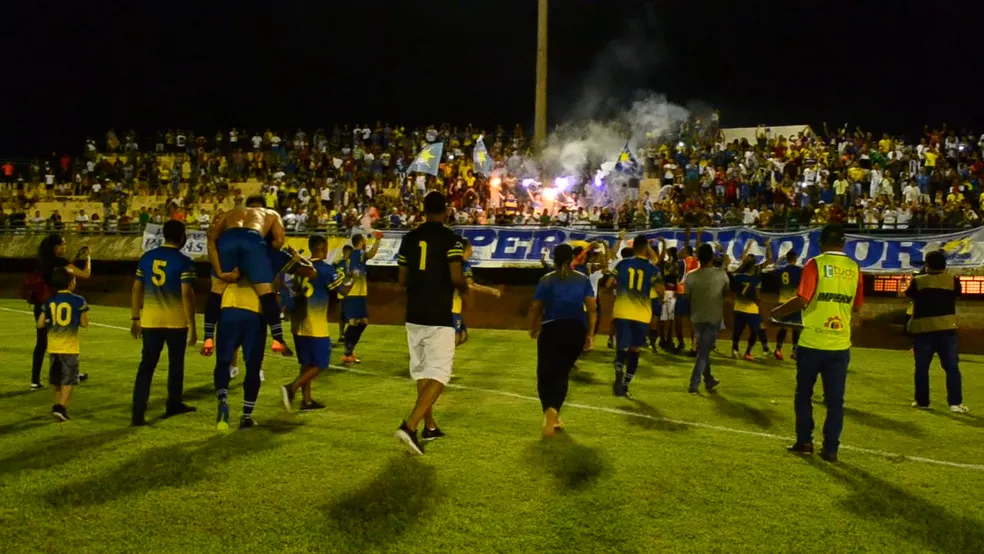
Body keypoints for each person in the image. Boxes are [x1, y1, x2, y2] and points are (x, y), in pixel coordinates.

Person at [772, 224, 863, 462]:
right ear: (843, 243)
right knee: (835, 402)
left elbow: (803, 298)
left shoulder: (816, 264)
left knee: (804, 395)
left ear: (822, 242)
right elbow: (858, 306)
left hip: (812, 342)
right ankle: (831, 449)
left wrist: (778, 312)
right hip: (840, 345)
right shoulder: (855, 268)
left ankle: (805, 442)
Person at [394, 191, 468, 455]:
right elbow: (456, 276)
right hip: (438, 313)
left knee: (424, 371)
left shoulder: (409, 238)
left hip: (413, 314)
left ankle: (430, 425)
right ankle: (410, 425)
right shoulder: (452, 239)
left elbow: (402, 279)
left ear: (423, 210)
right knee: (440, 373)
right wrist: (464, 287)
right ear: (446, 210)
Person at [202, 195, 291, 357]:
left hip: (228, 239)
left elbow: (211, 239)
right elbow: (279, 241)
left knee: (217, 289)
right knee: (266, 292)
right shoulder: (271, 214)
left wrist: (220, 272)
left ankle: (208, 337)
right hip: (253, 239)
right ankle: (278, 338)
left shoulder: (231, 212)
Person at [130, 220, 199, 426]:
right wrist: (193, 326)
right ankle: (173, 403)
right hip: (176, 322)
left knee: (146, 367)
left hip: (150, 320)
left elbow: (136, 289)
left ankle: (138, 411)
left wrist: (135, 318)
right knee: (176, 365)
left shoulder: (147, 257)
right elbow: (187, 294)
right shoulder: (185, 261)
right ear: (180, 236)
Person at [280, 235, 354, 412]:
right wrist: (353, 279)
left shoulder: (300, 268)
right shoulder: (326, 269)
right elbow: (342, 290)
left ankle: (307, 401)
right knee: (320, 364)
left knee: (306, 363)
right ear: (322, 248)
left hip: (299, 323)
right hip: (316, 324)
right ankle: (291, 388)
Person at [529, 244, 596, 436]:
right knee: (562, 373)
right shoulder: (582, 279)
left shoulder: (547, 280)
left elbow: (536, 306)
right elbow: (591, 309)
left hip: (552, 328)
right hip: (575, 329)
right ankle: (555, 412)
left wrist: (533, 325)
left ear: (554, 259)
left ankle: (549, 411)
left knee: (545, 373)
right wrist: (589, 333)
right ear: (571, 258)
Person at [25, 234, 91, 389]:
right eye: (63, 244)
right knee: (66, 340)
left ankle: (35, 379)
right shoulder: (60, 262)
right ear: (56, 246)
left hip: (42, 305)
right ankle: (71, 373)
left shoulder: (41, 262)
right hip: (60, 303)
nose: (65, 247)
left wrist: (74, 258)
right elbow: (85, 274)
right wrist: (88, 258)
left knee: (42, 342)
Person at [906, 250, 968, 413]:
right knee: (952, 368)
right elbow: (958, 296)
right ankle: (955, 403)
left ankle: (922, 401)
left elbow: (907, 295)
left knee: (922, 368)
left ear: (927, 264)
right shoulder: (953, 281)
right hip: (947, 329)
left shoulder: (918, 281)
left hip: (923, 330)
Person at [609, 235, 663, 397]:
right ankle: (625, 385)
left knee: (622, 347)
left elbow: (608, 283)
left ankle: (619, 367)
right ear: (646, 248)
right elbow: (661, 291)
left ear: (633, 248)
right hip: (641, 314)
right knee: (635, 349)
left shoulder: (623, 263)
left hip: (622, 310)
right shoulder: (652, 268)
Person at [36, 268, 89, 421]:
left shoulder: (50, 301)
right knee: (69, 379)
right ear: (71, 283)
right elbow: (84, 323)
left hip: (53, 346)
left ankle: (57, 405)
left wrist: (50, 321)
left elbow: (40, 324)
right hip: (69, 347)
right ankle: (61, 407)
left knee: (57, 380)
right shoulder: (78, 300)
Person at [683, 244, 728, 393]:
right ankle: (694, 384)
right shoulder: (721, 274)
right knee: (703, 352)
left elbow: (687, 296)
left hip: (696, 316)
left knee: (703, 348)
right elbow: (726, 292)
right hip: (713, 317)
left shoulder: (690, 275)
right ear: (712, 257)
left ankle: (709, 380)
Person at [451, 238, 501, 347]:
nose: (472, 252)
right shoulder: (463, 265)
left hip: (454, 304)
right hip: (451, 306)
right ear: (466, 249)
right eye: (470, 249)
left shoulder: (454, 263)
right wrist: (491, 290)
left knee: (463, 336)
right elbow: (470, 285)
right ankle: (443, 359)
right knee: (457, 336)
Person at [340, 232, 381, 364]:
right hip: (355, 293)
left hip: (357, 293)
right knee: (355, 322)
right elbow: (371, 254)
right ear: (360, 242)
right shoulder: (357, 253)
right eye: (364, 241)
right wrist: (378, 240)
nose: (365, 243)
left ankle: (349, 349)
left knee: (363, 322)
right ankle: (348, 352)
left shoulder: (352, 256)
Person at [731, 240, 772, 360]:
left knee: (737, 331)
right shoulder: (757, 274)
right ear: (754, 264)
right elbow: (769, 259)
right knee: (755, 331)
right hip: (752, 308)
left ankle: (735, 350)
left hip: (738, 307)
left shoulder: (738, 275)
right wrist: (768, 245)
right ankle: (748, 352)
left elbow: (743, 262)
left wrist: (747, 247)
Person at [772, 249, 803, 360]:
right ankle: (794, 351)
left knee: (783, 327)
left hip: (782, 301)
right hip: (794, 302)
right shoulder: (799, 270)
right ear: (795, 258)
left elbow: (773, 269)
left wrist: (779, 261)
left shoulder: (780, 270)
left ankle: (778, 349)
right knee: (796, 327)